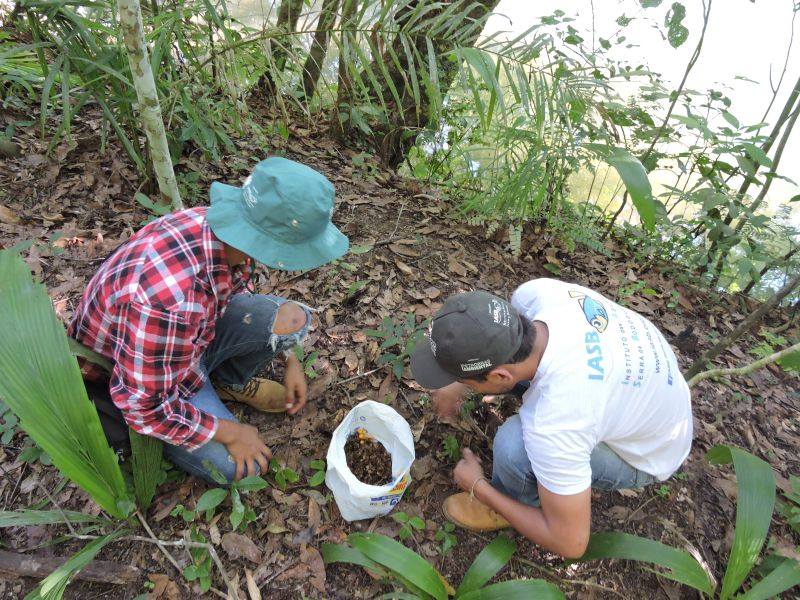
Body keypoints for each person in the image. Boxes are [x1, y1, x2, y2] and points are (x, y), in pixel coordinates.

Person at [69, 157, 349, 484]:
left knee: (293, 320)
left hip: (185, 345)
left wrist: (290, 359)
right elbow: (142, 406)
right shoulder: (169, 302)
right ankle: (211, 393)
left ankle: (228, 382)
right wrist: (229, 433)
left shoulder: (228, 236)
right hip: (149, 378)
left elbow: (236, 289)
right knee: (244, 469)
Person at [410, 278, 692, 558]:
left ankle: (510, 503)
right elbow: (497, 347)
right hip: (651, 399)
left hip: (648, 452)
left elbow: (571, 542)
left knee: (514, 447)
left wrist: (478, 486)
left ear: (499, 375)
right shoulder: (537, 294)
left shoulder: (557, 422)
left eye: (467, 381)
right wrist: (460, 380)